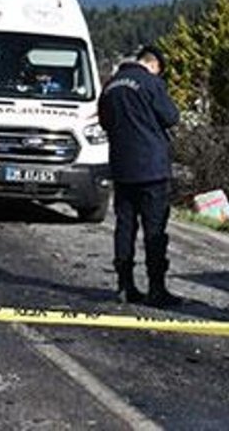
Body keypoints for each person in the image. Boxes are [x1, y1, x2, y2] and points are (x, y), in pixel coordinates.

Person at [97, 45, 182, 308]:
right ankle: (157, 288)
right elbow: (171, 117)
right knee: (154, 230)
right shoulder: (151, 83)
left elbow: (104, 122)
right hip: (152, 168)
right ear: (154, 64)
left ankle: (125, 285)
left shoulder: (110, 86)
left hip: (122, 167)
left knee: (125, 226)